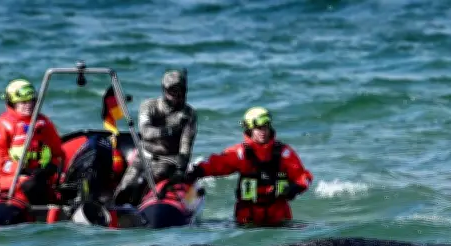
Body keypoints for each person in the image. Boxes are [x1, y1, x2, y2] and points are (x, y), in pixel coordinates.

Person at [182, 106, 313, 226]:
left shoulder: (284, 153)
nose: (263, 131)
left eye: (266, 126)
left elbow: (304, 177)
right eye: (258, 128)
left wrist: (294, 188)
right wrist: (195, 171)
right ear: (249, 129)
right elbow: (217, 165)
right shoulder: (240, 153)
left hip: (278, 216)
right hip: (248, 218)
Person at [114, 69, 197, 205]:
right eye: (173, 91)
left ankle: (140, 211)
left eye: (181, 91)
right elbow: (145, 132)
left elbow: (186, 145)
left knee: (142, 183)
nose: (178, 96)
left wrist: (181, 169)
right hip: (143, 156)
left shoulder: (188, 115)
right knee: (125, 187)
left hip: (168, 160)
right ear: (164, 91)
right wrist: (169, 131)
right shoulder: (149, 106)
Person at [0, 78, 64, 204]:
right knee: (31, 185)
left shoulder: (44, 123)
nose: (28, 105)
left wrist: (50, 168)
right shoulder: (2, 126)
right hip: (10, 177)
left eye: (31, 101)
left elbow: (57, 153)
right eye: (23, 102)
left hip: (40, 174)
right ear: (13, 103)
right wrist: (22, 171)